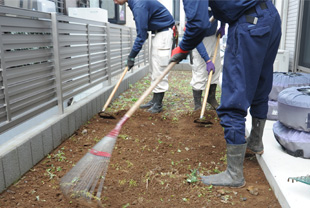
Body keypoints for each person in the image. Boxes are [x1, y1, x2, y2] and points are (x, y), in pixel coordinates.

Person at [170, 0, 281, 188]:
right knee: (261, 82)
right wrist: (223, 20)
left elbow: (198, 23)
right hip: (270, 16)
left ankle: (234, 174)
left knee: (234, 97)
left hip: (249, 23)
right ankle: (255, 142)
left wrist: (183, 47)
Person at [113, 0, 175, 113]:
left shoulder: (138, 5)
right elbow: (143, 31)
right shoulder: (135, 3)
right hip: (158, 33)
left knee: (159, 69)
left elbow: (141, 35)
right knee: (154, 68)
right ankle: (154, 100)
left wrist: (131, 57)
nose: (115, 2)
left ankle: (158, 104)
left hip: (163, 34)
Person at [190, 8, 222, 111]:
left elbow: (223, 10)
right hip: (199, 39)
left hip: (213, 36)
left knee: (216, 68)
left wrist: (223, 26)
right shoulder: (194, 8)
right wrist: (207, 60)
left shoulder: (216, 3)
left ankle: (211, 98)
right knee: (200, 71)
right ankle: (198, 105)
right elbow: (196, 39)